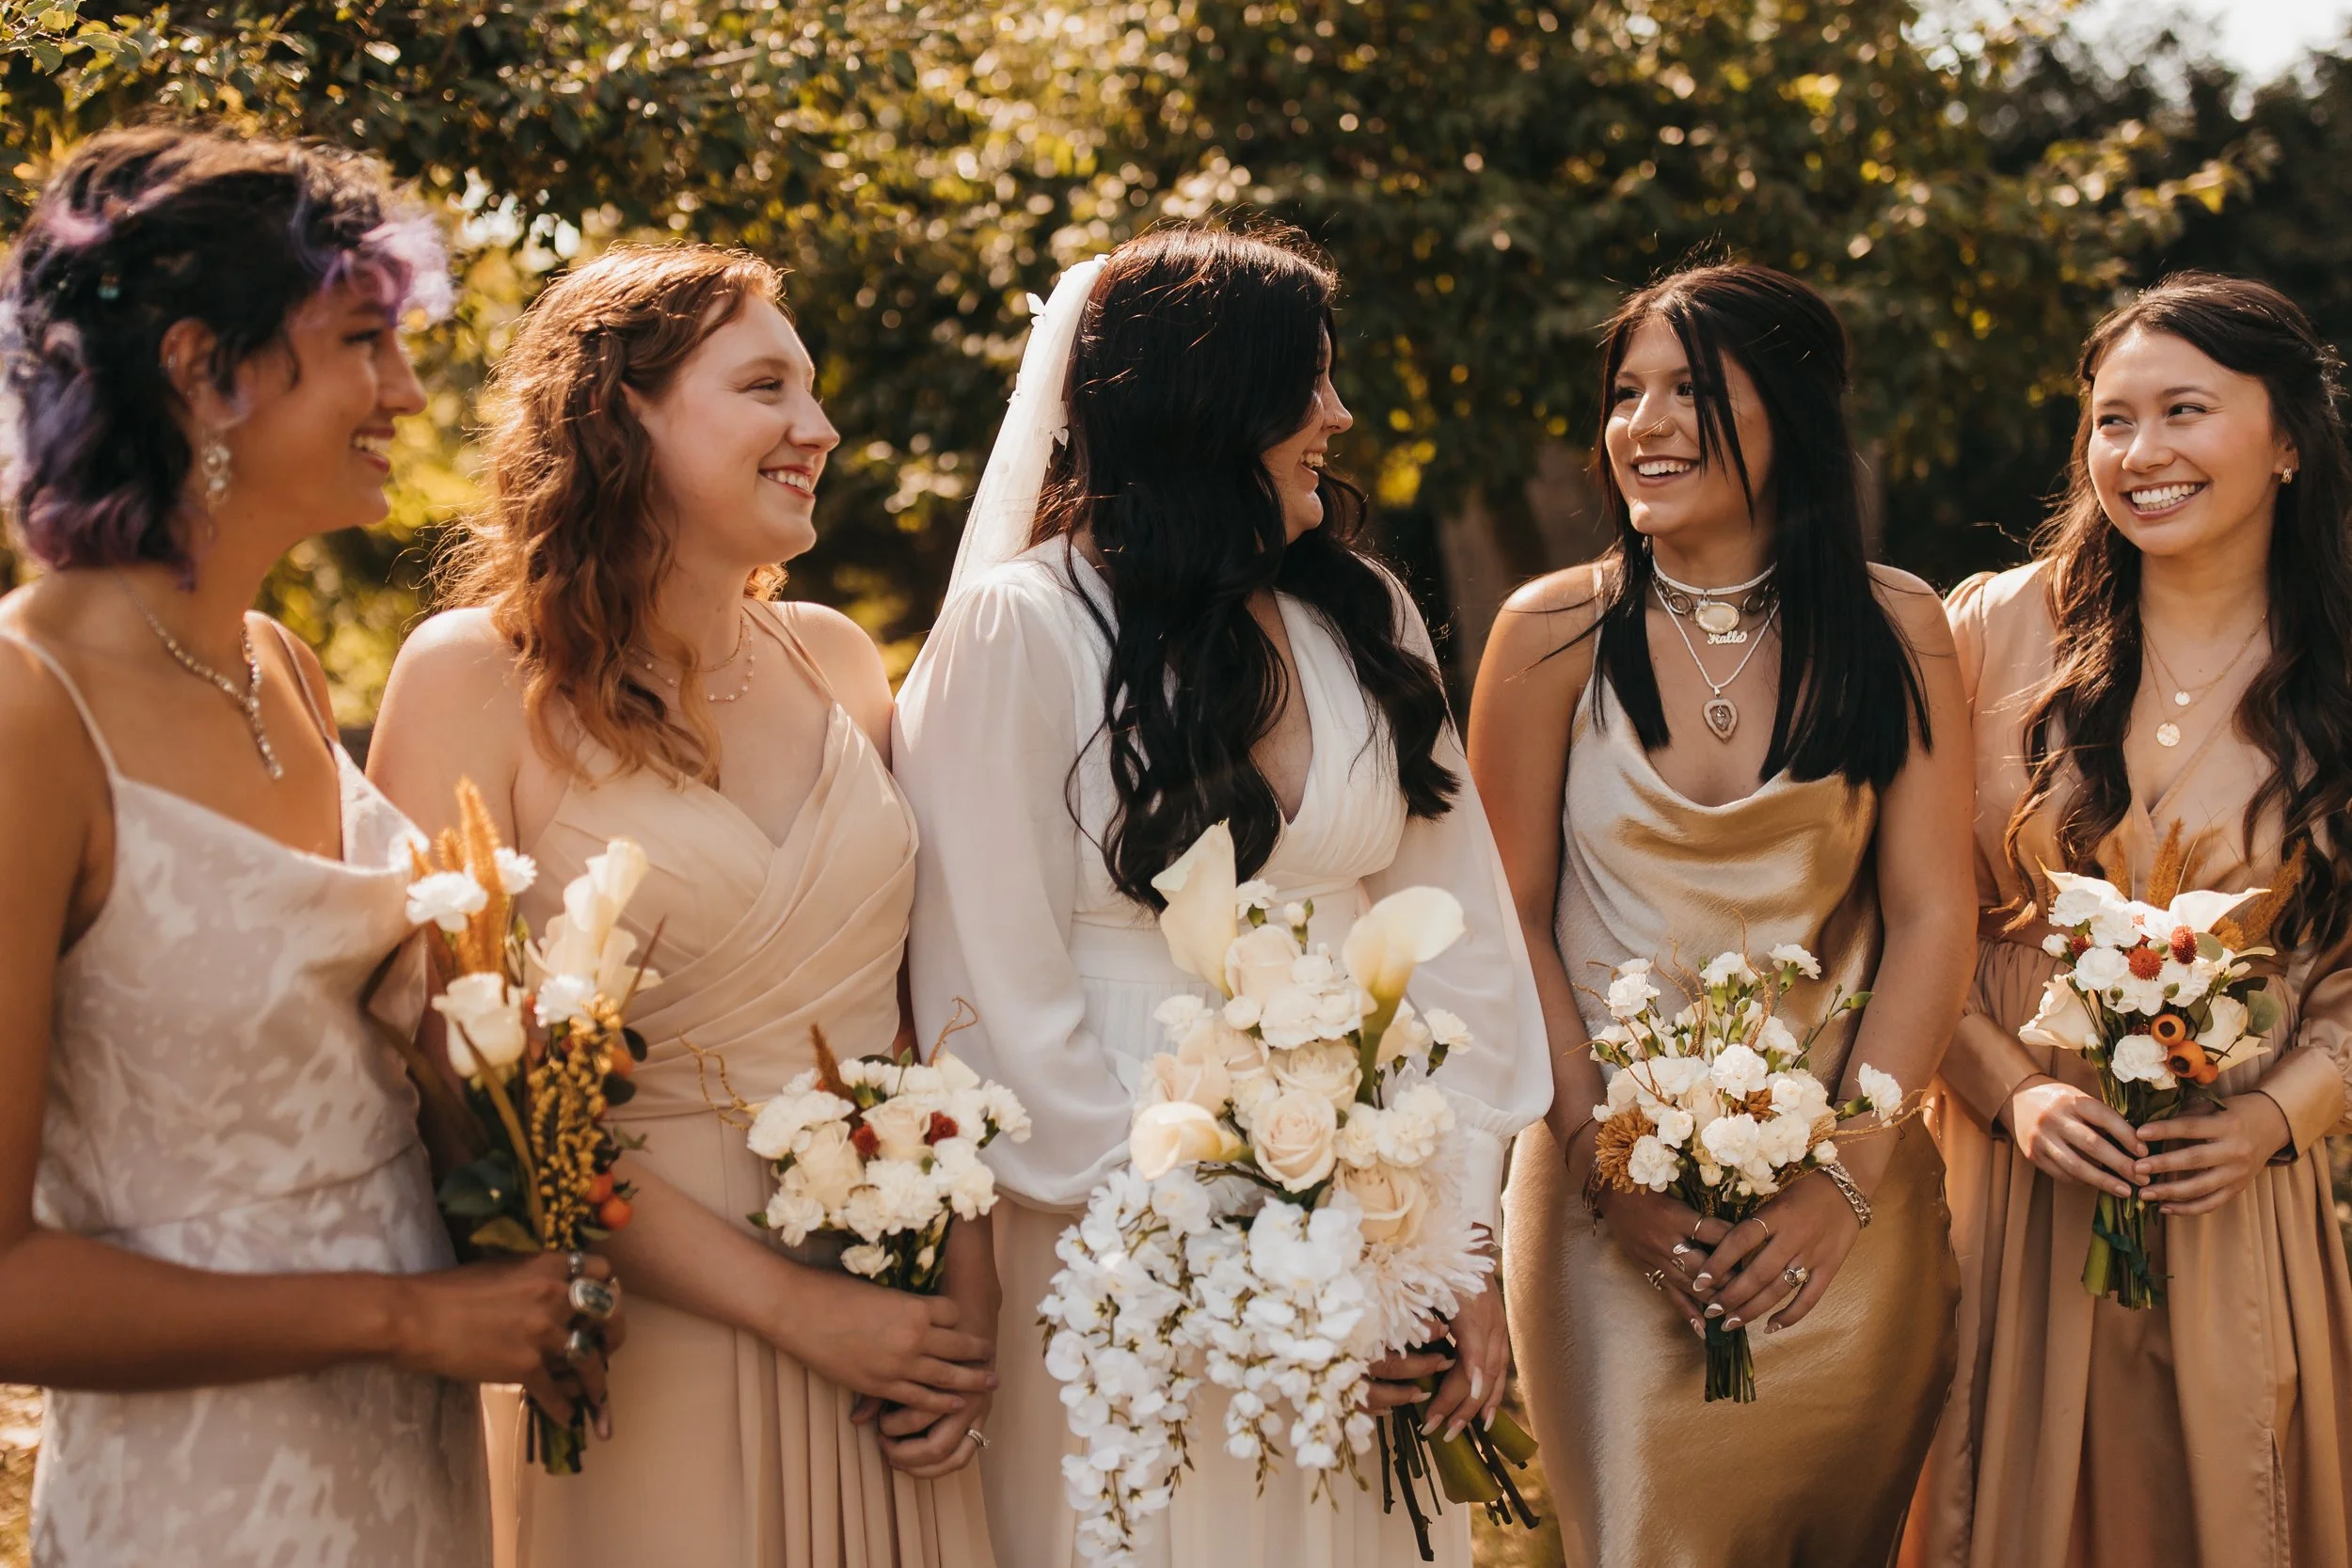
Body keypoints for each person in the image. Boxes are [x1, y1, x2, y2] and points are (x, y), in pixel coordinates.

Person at [0, 126, 622, 1568]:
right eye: (361, 341)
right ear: (203, 367)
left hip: (407, 1469)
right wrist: (408, 1316)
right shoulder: (32, 716)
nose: (405, 390)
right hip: (207, 1499)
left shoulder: (275, 660)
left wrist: (518, 1205)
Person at [895, 223, 1550, 1568]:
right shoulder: (1022, 630)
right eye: (1308, 381)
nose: (1340, 415)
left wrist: (1447, 1251)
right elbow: (989, 987)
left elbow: (1463, 940)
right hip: (1112, 1247)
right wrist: (1235, 1265)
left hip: (1367, 1228)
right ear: (1209, 401)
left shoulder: (1364, 613)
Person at [368, 242, 1000, 1568]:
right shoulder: (475, 678)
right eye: (766, 386)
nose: (816, 430)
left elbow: (925, 1005)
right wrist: (788, 1308)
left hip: (888, 1322)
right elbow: (452, 1079)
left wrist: (959, 1289)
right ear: (620, 410)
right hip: (644, 1327)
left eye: (814, 394)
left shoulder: (835, 659)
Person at [1476, 262, 1974, 1567]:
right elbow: (1508, 918)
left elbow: (1931, 913)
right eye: (1625, 393)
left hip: (1848, 1215)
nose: (1644, 423)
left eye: (1690, 390)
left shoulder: (1898, 624)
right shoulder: (1547, 636)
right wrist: (1600, 1162)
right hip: (1605, 1219)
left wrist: (1845, 1177)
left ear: (1792, 414)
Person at [1905, 273, 2352, 1568]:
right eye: (2112, 419)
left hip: (2235, 1202)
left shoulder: (2335, 666)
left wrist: (2280, 1113)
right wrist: (2009, 1092)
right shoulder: (1989, 628)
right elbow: (1902, 904)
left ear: (2285, 441)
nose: (2140, 453)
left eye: (2185, 412)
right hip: (2005, 1189)